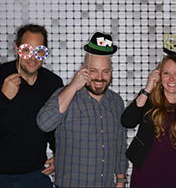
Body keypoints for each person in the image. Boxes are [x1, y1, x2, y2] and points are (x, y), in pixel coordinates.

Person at [37, 32, 128, 187]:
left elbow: (119, 145)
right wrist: (73, 86)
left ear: (111, 71)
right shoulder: (66, 96)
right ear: (83, 70)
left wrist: (121, 181)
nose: (99, 77)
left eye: (105, 71)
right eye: (93, 70)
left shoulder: (116, 102)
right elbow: (44, 123)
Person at [121, 51, 176, 186]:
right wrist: (148, 89)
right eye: (166, 73)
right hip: (146, 174)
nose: (171, 78)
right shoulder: (148, 101)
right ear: (159, 77)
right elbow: (127, 121)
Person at [0, 24, 63, 187]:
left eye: (39, 50)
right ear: (16, 49)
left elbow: (56, 126)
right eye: (27, 50)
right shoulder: (1, 76)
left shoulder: (53, 84)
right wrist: (3, 97)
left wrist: (59, 154)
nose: (33, 57)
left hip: (35, 174)